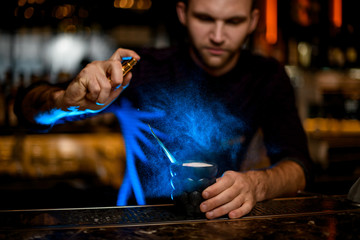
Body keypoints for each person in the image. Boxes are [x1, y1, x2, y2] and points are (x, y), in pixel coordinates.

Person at [15, 0, 313, 220]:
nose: (218, 36)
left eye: (233, 22)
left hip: (225, 223)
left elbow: (298, 167)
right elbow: (27, 110)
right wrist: (63, 102)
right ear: (183, 13)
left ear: (253, 20)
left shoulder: (266, 76)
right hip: (138, 224)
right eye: (205, 18)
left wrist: (258, 185)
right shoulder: (142, 69)